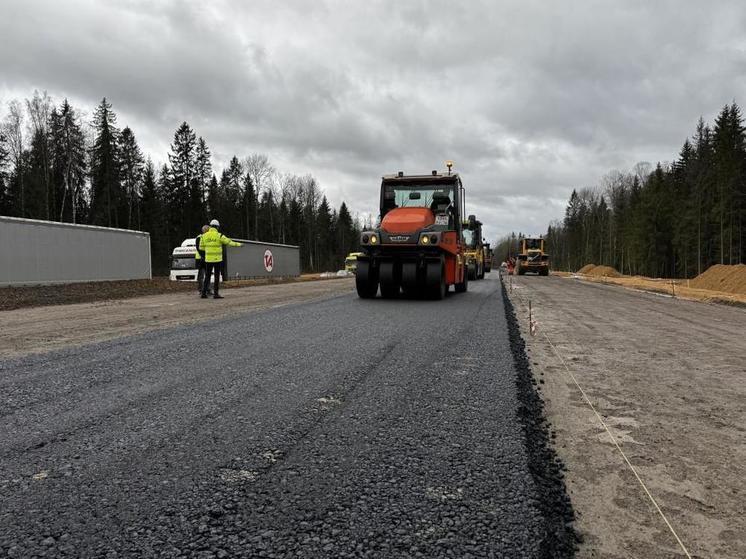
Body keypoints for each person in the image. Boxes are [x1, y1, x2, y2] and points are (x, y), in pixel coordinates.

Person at [200, 219, 242, 299]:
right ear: (217, 227)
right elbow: (229, 242)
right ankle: (216, 294)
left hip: (208, 259)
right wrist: (239, 244)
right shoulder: (219, 235)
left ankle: (203, 293)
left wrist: (208, 250)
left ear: (211, 226)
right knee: (216, 277)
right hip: (217, 260)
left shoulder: (204, 236)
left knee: (207, 277)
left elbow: (201, 248)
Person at [195, 225, 210, 295]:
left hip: (207, 258)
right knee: (201, 275)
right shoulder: (199, 237)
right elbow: (198, 249)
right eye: (208, 230)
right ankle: (201, 289)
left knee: (208, 274)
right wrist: (204, 256)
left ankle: (207, 289)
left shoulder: (207, 237)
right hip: (200, 258)